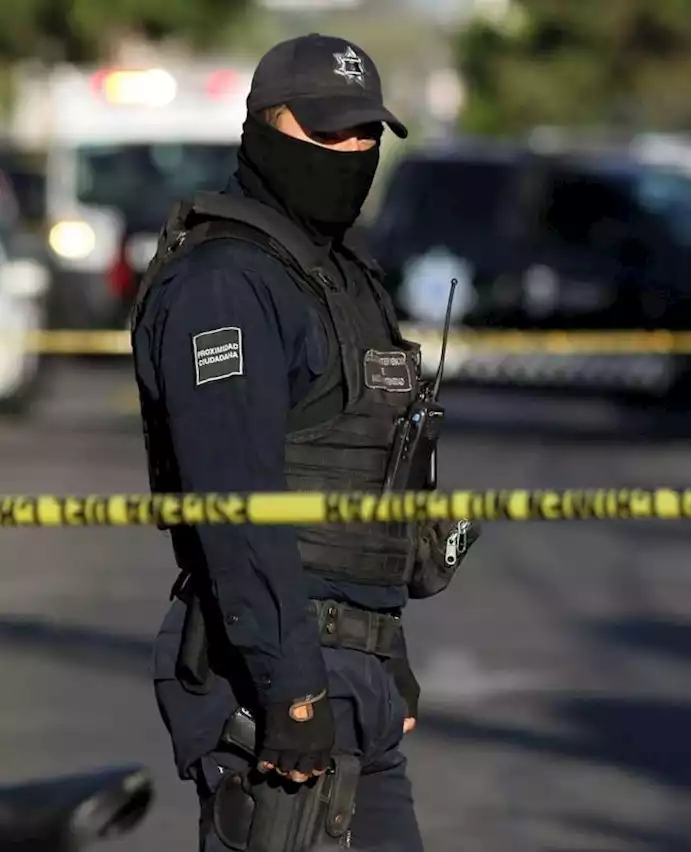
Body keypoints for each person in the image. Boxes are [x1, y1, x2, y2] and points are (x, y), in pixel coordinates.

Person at [129, 34, 479, 852]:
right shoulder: (227, 283)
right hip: (275, 673)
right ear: (260, 129)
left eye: (364, 134)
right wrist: (292, 694)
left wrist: (386, 655)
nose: (349, 151)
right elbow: (235, 506)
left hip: (357, 679)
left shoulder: (343, 273)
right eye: (324, 133)